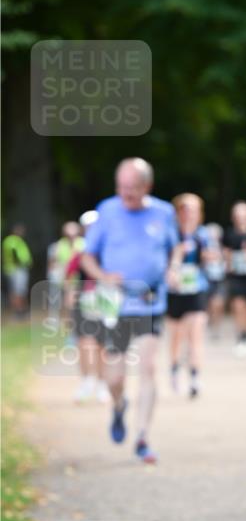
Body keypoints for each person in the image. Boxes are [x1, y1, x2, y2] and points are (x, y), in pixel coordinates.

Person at [81, 158, 178, 464]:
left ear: (147, 186)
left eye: (132, 188)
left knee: (148, 368)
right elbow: (87, 257)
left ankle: (142, 437)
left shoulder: (164, 213)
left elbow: (175, 247)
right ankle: (119, 405)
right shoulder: (107, 211)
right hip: (116, 304)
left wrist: (173, 268)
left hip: (149, 302)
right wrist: (102, 276)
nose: (126, 194)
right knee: (114, 376)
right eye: (121, 187)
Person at [166, 193, 211, 398]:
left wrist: (210, 257)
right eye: (184, 208)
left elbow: (211, 258)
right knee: (177, 336)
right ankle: (174, 369)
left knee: (196, 332)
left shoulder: (203, 234)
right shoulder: (170, 234)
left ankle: (195, 376)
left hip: (196, 288)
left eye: (193, 209)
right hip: (174, 291)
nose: (189, 213)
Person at [65, 211, 109, 404]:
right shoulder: (81, 250)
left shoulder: (110, 248)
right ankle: (87, 381)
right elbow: (70, 273)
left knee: (102, 345)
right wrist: (70, 292)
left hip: (106, 300)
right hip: (84, 300)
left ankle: (101, 384)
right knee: (84, 342)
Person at [224, 201, 246, 357]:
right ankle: (240, 336)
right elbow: (226, 252)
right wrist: (228, 264)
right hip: (236, 275)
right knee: (238, 305)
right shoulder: (230, 234)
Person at [2, 223, 32, 316]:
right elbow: (14, 254)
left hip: (18, 269)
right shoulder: (12, 241)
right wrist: (22, 263)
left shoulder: (18, 240)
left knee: (20, 290)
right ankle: (18, 311)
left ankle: (22, 310)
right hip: (16, 269)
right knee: (17, 291)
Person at [203, 222, 227, 340]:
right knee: (206, 304)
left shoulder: (223, 247)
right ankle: (207, 324)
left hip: (219, 278)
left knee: (218, 303)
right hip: (206, 278)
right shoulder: (203, 246)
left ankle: (216, 327)